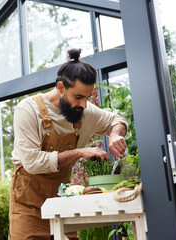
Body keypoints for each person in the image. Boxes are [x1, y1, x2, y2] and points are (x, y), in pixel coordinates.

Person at [9, 48, 128, 240]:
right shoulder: (29, 110)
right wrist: (79, 152)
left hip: (62, 199)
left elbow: (117, 120)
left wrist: (114, 135)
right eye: (78, 97)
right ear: (61, 87)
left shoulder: (85, 111)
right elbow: (32, 162)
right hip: (28, 202)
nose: (83, 104)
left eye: (87, 98)